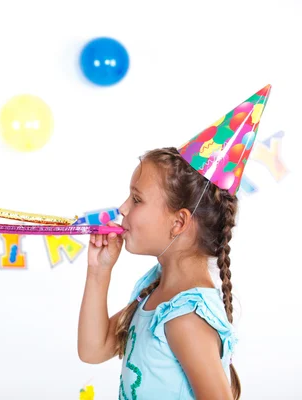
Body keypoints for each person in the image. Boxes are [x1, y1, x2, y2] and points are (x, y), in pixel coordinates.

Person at [77, 85, 272, 399]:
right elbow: (94, 349)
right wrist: (99, 272)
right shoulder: (158, 288)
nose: (122, 209)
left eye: (136, 199)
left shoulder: (185, 316)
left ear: (179, 222)